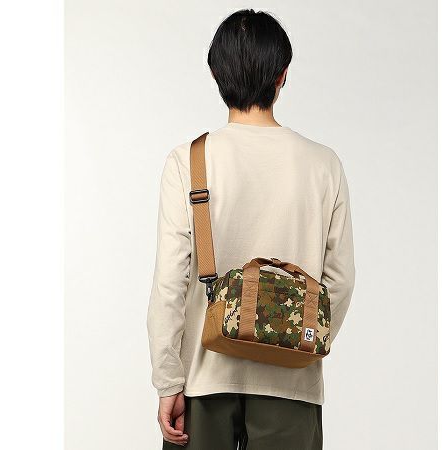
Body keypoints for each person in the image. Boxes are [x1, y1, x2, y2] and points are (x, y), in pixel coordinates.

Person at [147, 9, 355, 449]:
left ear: (215, 73)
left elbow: (169, 283)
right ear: (283, 75)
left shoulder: (188, 161)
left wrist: (168, 380)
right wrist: (302, 344)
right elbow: (340, 280)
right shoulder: (324, 164)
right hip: (292, 386)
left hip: (203, 379)